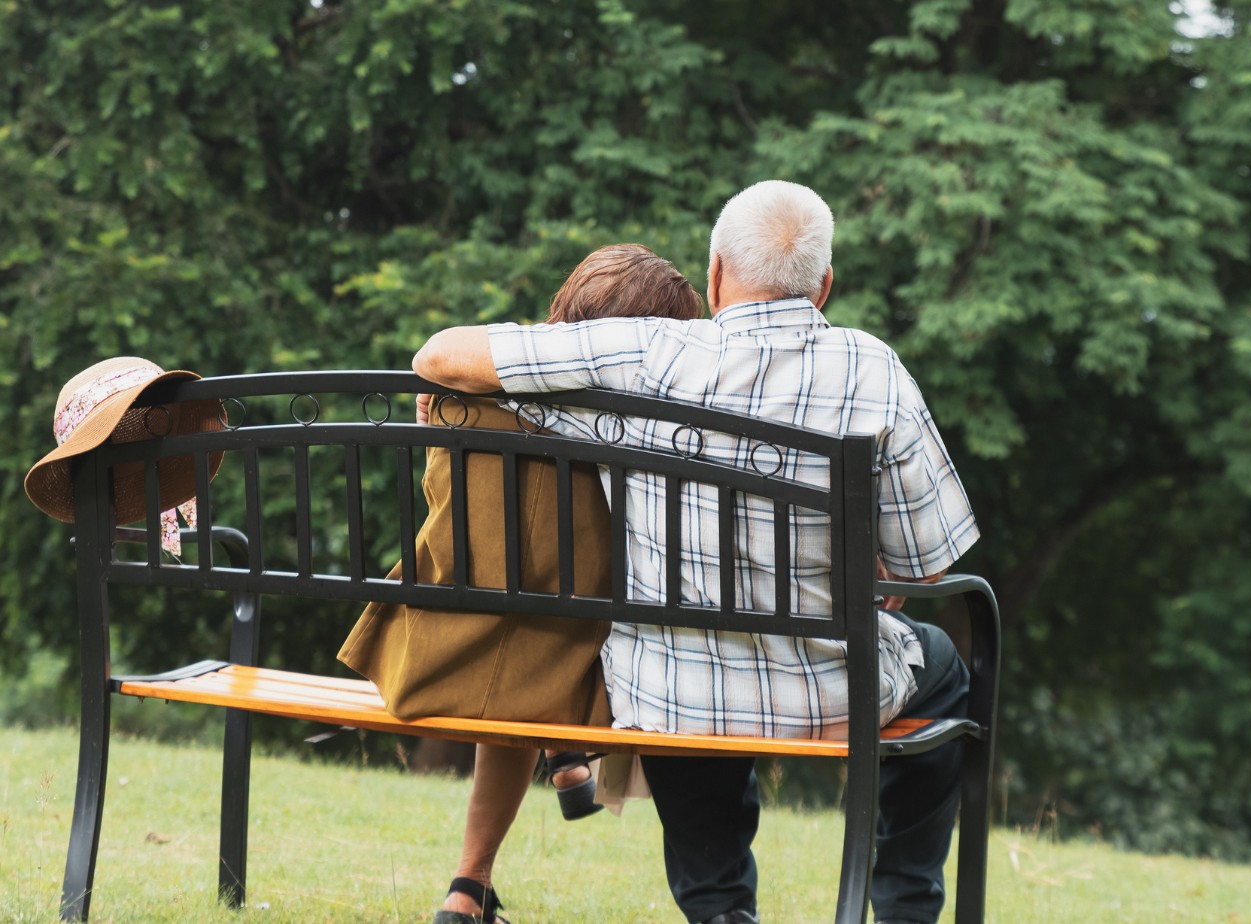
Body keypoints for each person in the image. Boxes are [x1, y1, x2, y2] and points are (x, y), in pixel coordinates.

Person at [411, 180, 980, 924]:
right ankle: (904, 907)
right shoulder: (877, 372)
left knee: (691, 679)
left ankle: (718, 909)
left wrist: (450, 383)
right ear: (824, 285)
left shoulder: (644, 354)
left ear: (714, 273)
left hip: (674, 699)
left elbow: (443, 352)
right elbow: (926, 567)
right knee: (942, 665)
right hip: (835, 694)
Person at [337, 243, 704, 924]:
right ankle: (563, 751)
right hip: (560, 667)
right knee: (546, 626)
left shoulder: (462, 402)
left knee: (515, 622)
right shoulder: (634, 430)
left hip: (433, 650)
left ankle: (468, 889)